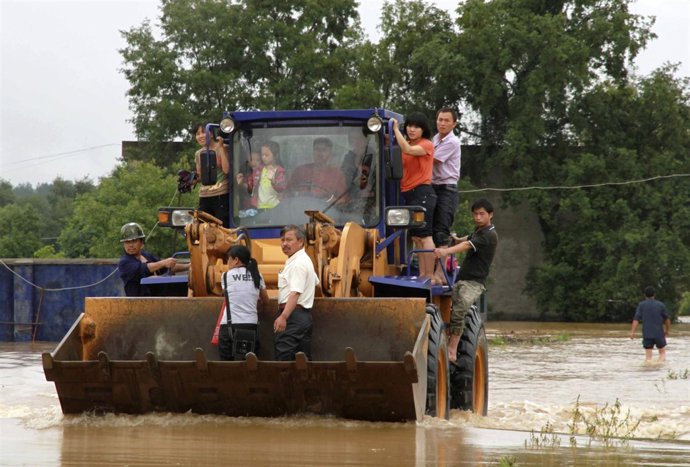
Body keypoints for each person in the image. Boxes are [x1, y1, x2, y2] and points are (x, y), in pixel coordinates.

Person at [433, 199, 498, 363]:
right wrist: (455, 239)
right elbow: (466, 239)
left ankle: (452, 349)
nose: (477, 217)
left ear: (490, 215)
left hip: (474, 282)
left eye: (481, 214)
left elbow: (467, 246)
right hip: (463, 279)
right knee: (452, 309)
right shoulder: (479, 231)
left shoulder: (489, 235)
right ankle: (445, 338)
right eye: (475, 214)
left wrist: (445, 251)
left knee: (460, 308)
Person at [391, 112, 437, 281]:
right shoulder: (405, 142)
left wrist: (395, 128)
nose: (412, 129)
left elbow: (408, 149)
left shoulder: (427, 145)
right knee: (417, 237)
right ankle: (423, 274)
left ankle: (429, 275)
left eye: (416, 127)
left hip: (422, 192)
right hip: (408, 194)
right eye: (409, 125)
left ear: (423, 130)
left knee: (425, 236)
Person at [273, 224, 320, 361]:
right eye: (282, 240)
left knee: (283, 357)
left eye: (289, 240)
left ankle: (285, 383)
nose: (284, 244)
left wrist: (283, 317)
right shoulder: (303, 260)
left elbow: (295, 293)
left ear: (301, 241)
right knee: (302, 361)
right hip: (302, 317)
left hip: (293, 316)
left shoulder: (298, 263)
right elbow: (316, 283)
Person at [218, 245, 269, 361]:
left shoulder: (225, 276)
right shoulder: (258, 276)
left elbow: (227, 295)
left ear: (236, 260)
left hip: (229, 326)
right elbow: (265, 299)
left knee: (227, 365)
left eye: (228, 259)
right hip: (250, 326)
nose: (227, 263)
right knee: (248, 365)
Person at [117, 222, 189, 297]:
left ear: (142, 242)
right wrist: (163, 263)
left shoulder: (147, 256)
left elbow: (166, 267)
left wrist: (188, 266)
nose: (131, 245)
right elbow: (145, 268)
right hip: (139, 303)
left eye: (134, 241)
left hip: (159, 299)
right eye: (127, 242)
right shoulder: (124, 262)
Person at [431, 108, 462, 285]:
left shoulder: (453, 142)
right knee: (429, 230)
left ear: (453, 124)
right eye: (440, 120)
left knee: (441, 232)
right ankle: (429, 269)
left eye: (446, 120)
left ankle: (440, 273)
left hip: (446, 189)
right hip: (433, 187)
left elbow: (431, 160)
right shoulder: (435, 139)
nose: (442, 123)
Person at [193, 122, 231, 227]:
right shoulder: (198, 153)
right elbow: (200, 176)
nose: (200, 136)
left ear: (211, 133)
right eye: (197, 134)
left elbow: (227, 170)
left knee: (221, 228)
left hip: (220, 194)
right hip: (204, 195)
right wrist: (191, 180)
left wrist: (221, 147)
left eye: (203, 132)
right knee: (202, 228)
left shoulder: (224, 147)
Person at [287, 137, 347, 201]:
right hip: (300, 208)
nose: (320, 153)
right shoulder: (300, 171)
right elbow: (287, 193)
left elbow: (343, 200)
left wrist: (330, 201)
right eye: (317, 149)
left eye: (324, 150)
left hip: (325, 210)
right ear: (313, 152)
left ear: (330, 153)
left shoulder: (337, 174)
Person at [236, 141, 287, 209]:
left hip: (275, 207)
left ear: (275, 155)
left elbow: (282, 188)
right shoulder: (258, 170)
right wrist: (242, 183)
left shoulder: (279, 171)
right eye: (262, 155)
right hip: (259, 207)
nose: (263, 157)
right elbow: (252, 186)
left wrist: (273, 181)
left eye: (266, 155)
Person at [630, 286, 670, 362]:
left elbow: (636, 319)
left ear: (644, 295)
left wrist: (632, 332)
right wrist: (667, 330)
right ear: (654, 294)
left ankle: (649, 369)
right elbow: (667, 319)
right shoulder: (661, 305)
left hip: (647, 334)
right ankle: (658, 366)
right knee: (662, 353)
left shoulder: (641, 305)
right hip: (659, 334)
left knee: (648, 357)